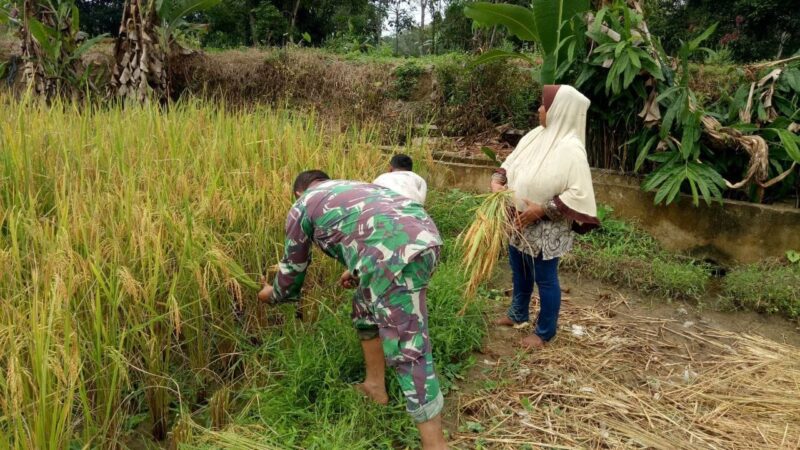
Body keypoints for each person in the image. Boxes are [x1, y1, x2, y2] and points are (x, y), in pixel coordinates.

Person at [258, 170, 448, 450]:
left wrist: (273, 294)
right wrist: (358, 270)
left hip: (398, 254)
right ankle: (374, 386)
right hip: (424, 238)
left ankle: (435, 445)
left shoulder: (303, 204)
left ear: (299, 192)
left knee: (408, 347)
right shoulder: (351, 186)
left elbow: (293, 269)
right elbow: (373, 227)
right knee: (364, 306)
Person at [490, 85, 600, 350]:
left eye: (544, 105)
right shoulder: (535, 136)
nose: (540, 109)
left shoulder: (571, 149)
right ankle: (518, 314)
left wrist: (541, 209)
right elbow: (509, 164)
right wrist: (498, 181)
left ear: (559, 110)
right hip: (518, 219)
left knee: (545, 278)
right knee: (519, 269)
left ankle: (545, 332)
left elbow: (579, 193)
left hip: (547, 227)